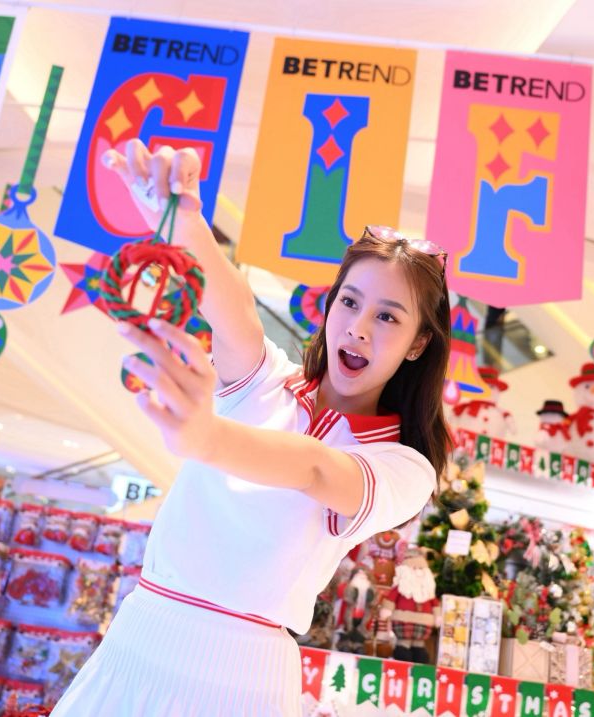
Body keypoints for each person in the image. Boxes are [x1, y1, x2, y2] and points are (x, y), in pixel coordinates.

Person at [52, 140, 452, 716]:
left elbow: (315, 469)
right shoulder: (265, 380)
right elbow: (235, 308)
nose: (358, 328)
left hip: (243, 680)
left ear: (418, 343)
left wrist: (207, 438)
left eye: (387, 316)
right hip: (137, 638)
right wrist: (181, 217)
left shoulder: (403, 467)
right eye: (349, 302)